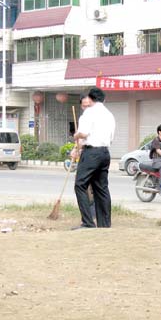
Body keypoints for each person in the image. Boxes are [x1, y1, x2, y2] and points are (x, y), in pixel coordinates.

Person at [73, 87, 115, 228]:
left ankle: (88, 222)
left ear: (90, 99)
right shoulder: (110, 115)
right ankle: (105, 224)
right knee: (101, 188)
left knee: (80, 185)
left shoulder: (89, 112)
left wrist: (76, 135)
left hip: (91, 153)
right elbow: (111, 137)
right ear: (104, 99)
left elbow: (83, 134)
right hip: (105, 153)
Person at [71, 93, 96, 225]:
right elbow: (82, 140)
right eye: (84, 105)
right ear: (81, 106)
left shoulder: (95, 117)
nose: (87, 108)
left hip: (94, 155)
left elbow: (84, 136)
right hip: (87, 153)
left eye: (89, 105)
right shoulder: (84, 117)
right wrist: (76, 149)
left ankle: (90, 218)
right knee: (86, 188)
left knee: (87, 187)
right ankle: (90, 217)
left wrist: (77, 137)